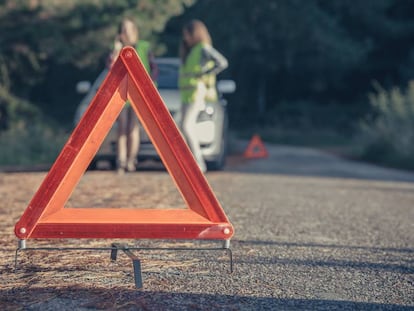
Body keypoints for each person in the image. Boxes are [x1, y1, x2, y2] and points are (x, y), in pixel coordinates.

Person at [109, 17, 158, 174]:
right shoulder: (118, 49)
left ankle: (131, 160)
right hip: (121, 93)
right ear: (120, 34)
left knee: (133, 127)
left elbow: (154, 68)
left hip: (139, 92)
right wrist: (116, 49)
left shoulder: (144, 47)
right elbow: (110, 67)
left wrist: (149, 86)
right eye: (123, 30)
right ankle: (121, 160)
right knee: (122, 126)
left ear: (135, 31)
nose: (126, 33)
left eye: (129, 30)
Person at [178, 19, 228, 173]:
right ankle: (189, 162)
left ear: (195, 33)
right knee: (182, 127)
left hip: (196, 93)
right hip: (186, 94)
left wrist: (204, 73)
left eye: (187, 34)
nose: (185, 38)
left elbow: (222, 62)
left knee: (187, 126)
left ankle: (199, 163)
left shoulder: (203, 49)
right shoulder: (190, 51)